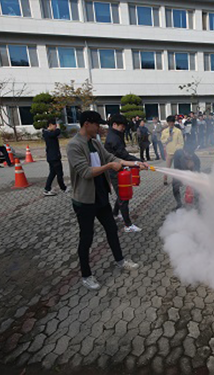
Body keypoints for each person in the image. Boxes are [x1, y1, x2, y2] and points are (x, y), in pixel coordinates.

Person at [66, 110, 148, 290]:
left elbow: (111, 157)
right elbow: (86, 172)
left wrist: (135, 163)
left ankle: (120, 261)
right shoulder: (74, 146)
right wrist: (110, 166)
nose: (100, 128)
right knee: (86, 238)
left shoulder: (95, 142)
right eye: (97, 124)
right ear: (87, 124)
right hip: (85, 200)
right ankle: (87, 275)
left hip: (101, 195)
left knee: (112, 229)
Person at [104, 114, 144, 233]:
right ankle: (128, 225)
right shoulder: (114, 138)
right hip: (115, 170)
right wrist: (138, 161)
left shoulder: (115, 135)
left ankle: (115, 213)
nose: (123, 129)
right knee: (123, 196)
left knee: (121, 193)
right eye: (121, 126)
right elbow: (123, 154)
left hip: (119, 168)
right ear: (114, 125)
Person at [43, 118, 70, 196]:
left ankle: (47, 189)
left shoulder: (48, 133)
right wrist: (58, 128)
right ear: (50, 125)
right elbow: (57, 132)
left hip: (52, 157)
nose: (55, 127)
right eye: (54, 125)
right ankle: (63, 188)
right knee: (59, 173)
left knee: (52, 173)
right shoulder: (47, 133)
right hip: (54, 157)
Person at [172, 142, 201, 210]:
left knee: (197, 186)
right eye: (188, 153)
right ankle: (179, 204)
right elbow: (176, 167)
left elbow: (197, 171)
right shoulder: (177, 154)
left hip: (191, 175)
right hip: (180, 173)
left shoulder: (196, 159)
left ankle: (197, 203)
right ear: (184, 151)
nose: (190, 155)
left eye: (191, 154)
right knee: (175, 185)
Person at [161, 115, 184, 185]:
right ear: (167, 122)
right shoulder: (164, 131)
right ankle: (165, 179)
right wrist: (167, 139)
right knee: (167, 167)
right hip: (169, 152)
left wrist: (177, 149)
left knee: (177, 168)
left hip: (177, 153)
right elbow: (162, 140)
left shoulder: (178, 131)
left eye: (172, 122)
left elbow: (181, 143)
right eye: (170, 122)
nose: (171, 123)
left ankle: (178, 181)